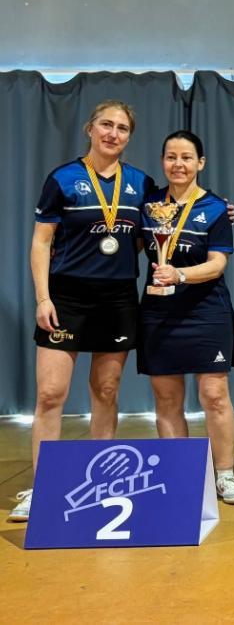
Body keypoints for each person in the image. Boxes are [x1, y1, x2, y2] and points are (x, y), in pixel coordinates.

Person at [13, 100, 156, 522]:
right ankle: (43, 488)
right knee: (50, 395)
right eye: (106, 125)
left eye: (122, 128)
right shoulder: (63, 178)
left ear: (130, 136)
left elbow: (160, 230)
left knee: (106, 391)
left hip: (117, 298)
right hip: (67, 298)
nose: (113, 134)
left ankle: (102, 483)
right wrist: (44, 297)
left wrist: (220, 212)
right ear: (89, 129)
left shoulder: (140, 183)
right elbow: (41, 242)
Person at [138, 130, 234, 504]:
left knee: (214, 394)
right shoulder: (149, 204)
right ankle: (177, 473)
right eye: (171, 157)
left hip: (205, 310)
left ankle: (226, 475)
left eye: (186, 157)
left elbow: (217, 264)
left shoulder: (216, 208)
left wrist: (181, 274)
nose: (178, 164)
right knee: (166, 398)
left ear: (200, 163)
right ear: (163, 162)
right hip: (158, 311)